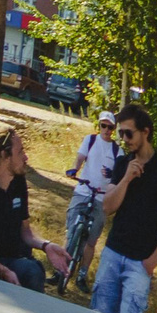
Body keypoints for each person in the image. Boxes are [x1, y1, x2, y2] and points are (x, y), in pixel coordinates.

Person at [91, 104, 157, 313]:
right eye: (121, 133)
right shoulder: (122, 164)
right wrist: (126, 179)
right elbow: (107, 207)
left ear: (145, 132)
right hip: (113, 253)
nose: (124, 139)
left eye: (129, 133)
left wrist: (151, 262)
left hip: (140, 263)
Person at [0, 128, 67, 292]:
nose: (26, 157)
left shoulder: (18, 183)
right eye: (20, 151)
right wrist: (2, 270)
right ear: (4, 155)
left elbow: (26, 232)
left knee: (32, 272)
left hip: (11, 258)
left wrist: (46, 246)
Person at [60, 110, 121, 292]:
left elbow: (119, 173)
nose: (106, 130)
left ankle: (82, 275)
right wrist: (74, 169)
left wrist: (112, 174)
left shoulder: (117, 150)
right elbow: (80, 157)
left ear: (114, 129)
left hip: (102, 197)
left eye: (110, 127)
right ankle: (60, 270)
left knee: (91, 241)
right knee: (71, 231)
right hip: (83, 190)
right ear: (99, 125)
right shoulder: (90, 140)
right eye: (104, 125)